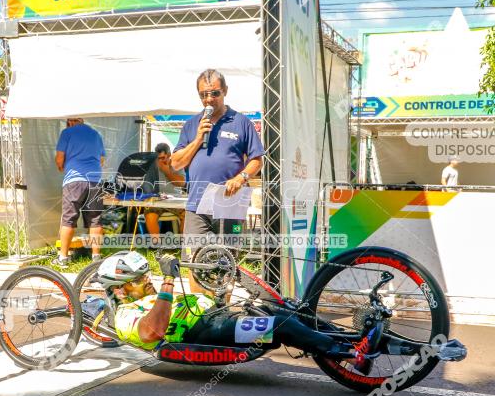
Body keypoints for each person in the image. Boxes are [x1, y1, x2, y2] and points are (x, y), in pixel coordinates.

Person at [89, 252, 338, 357]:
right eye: (140, 280)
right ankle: (348, 355)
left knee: (291, 311)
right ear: (120, 290)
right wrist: (167, 281)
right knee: (282, 325)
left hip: (219, 314)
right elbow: (153, 331)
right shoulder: (126, 314)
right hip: (208, 330)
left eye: (146, 276)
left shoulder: (147, 298)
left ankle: (344, 337)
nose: (147, 282)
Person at [171, 69, 264, 292]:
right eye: (203, 94)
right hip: (196, 207)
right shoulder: (192, 124)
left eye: (214, 93)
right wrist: (197, 139)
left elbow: (257, 160)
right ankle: (201, 315)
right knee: (195, 261)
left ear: (225, 92)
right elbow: (175, 163)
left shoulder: (241, 122)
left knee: (226, 263)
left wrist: (241, 178)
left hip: (229, 205)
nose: (209, 99)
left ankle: (223, 318)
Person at [55, 118, 105, 266]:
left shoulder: (67, 133)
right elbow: (101, 159)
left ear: (70, 121)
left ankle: (63, 258)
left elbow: (59, 159)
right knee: (95, 220)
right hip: (95, 180)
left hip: (74, 181)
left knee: (69, 219)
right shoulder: (96, 134)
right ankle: (96, 257)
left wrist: (64, 168)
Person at [144, 143, 185, 244]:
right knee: (150, 216)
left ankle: (183, 246)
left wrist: (167, 172)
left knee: (187, 216)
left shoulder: (177, 164)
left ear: (169, 154)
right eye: (158, 158)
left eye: (163, 158)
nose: (161, 161)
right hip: (158, 199)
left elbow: (181, 183)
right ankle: (157, 247)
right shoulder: (153, 165)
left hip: (176, 200)